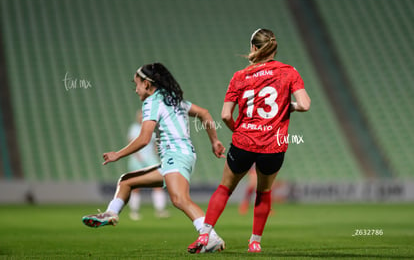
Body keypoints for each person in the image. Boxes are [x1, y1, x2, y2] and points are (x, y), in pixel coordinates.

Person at [187, 28, 311, 253]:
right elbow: (304, 104)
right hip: (273, 147)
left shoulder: (240, 76)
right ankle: (255, 242)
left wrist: (240, 131)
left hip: (243, 143)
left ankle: (204, 235)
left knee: (225, 188)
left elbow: (225, 115)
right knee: (263, 192)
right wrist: (285, 106)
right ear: (274, 48)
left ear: (253, 47)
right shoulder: (289, 72)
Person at [82, 62, 226, 253]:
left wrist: (118, 154)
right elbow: (204, 113)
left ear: (147, 84)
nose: (136, 90)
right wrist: (214, 141)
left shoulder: (151, 102)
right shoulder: (173, 98)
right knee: (126, 181)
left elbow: (143, 139)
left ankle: (210, 237)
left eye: (137, 84)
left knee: (179, 199)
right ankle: (111, 214)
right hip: (177, 156)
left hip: (176, 155)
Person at [127, 110, 170, 220]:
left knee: (158, 185)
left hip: (151, 160)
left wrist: (159, 153)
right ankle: (134, 211)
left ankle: (160, 210)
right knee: (136, 186)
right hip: (137, 161)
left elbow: (156, 143)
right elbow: (131, 144)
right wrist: (138, 157)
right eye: (140, 116)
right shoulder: (134, 128)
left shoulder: (151, 128)